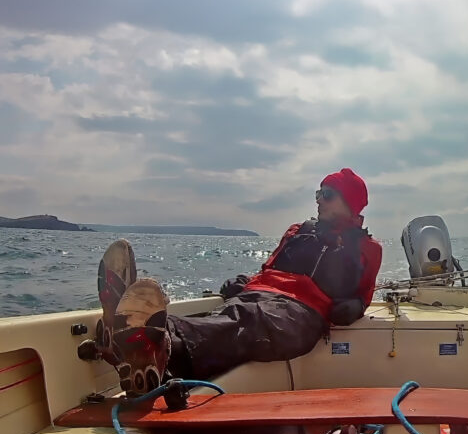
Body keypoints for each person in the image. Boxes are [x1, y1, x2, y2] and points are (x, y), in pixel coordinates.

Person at [90, 168, 382, 395]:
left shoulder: (368, 249)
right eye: (318, 193)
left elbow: (365, 294)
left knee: (243, 322)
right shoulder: (298, 230)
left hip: (300, 312)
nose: (318, 199)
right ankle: (143, 346)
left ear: (351, 203)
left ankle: (140, 340)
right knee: (221, 319)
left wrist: (355, 306)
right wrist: (247, 280)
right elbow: (270, 267)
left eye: (327, 194)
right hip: (258, 295)